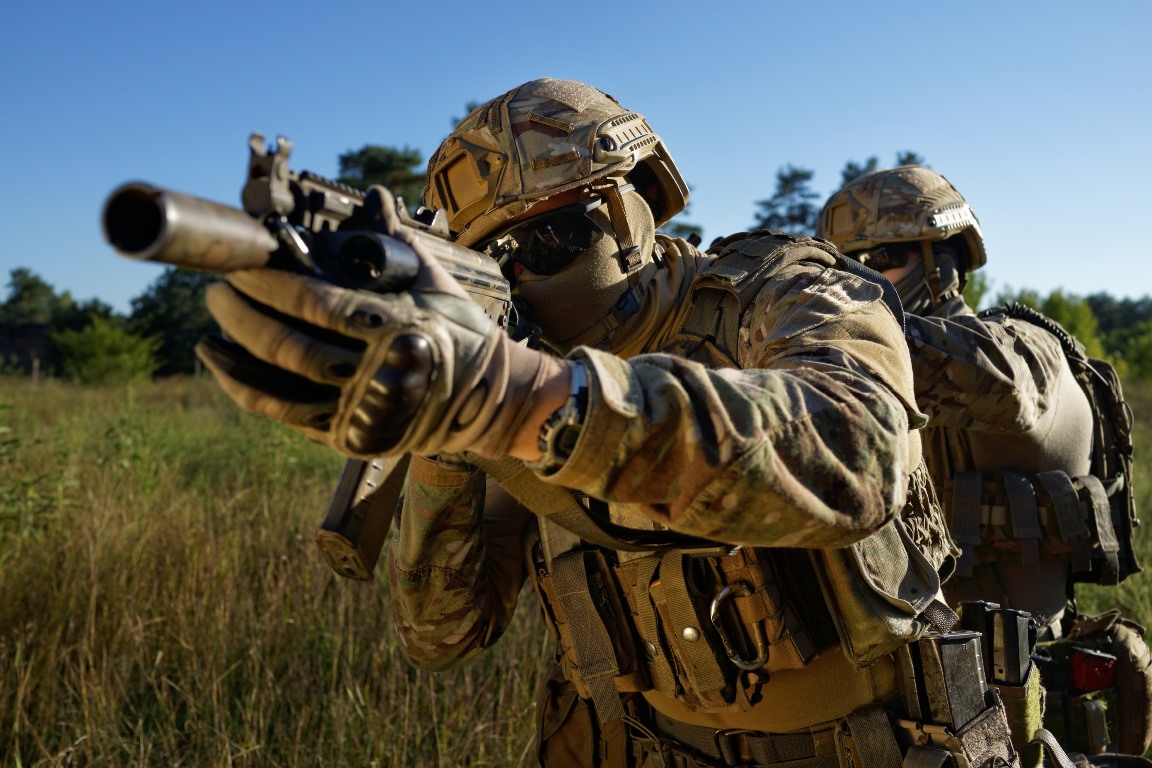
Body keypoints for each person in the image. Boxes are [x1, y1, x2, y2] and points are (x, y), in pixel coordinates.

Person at [197, 79, 1022, 767]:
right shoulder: (520, 360)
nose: (519, 277)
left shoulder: (781, 291)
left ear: (631, 212)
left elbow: (857, 455)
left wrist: (524, 400)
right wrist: (450, 443)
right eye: (494, 262)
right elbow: (445, 635)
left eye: (546, 241)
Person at [817, 165, 1152, 761]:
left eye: (884, 257)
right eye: (846, 266)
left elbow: (993, 379)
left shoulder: (1025, 347)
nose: (862, 283)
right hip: (898, 705)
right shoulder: (851, 379)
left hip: (1020, 703)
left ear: (944, 261)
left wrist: (805, 334)